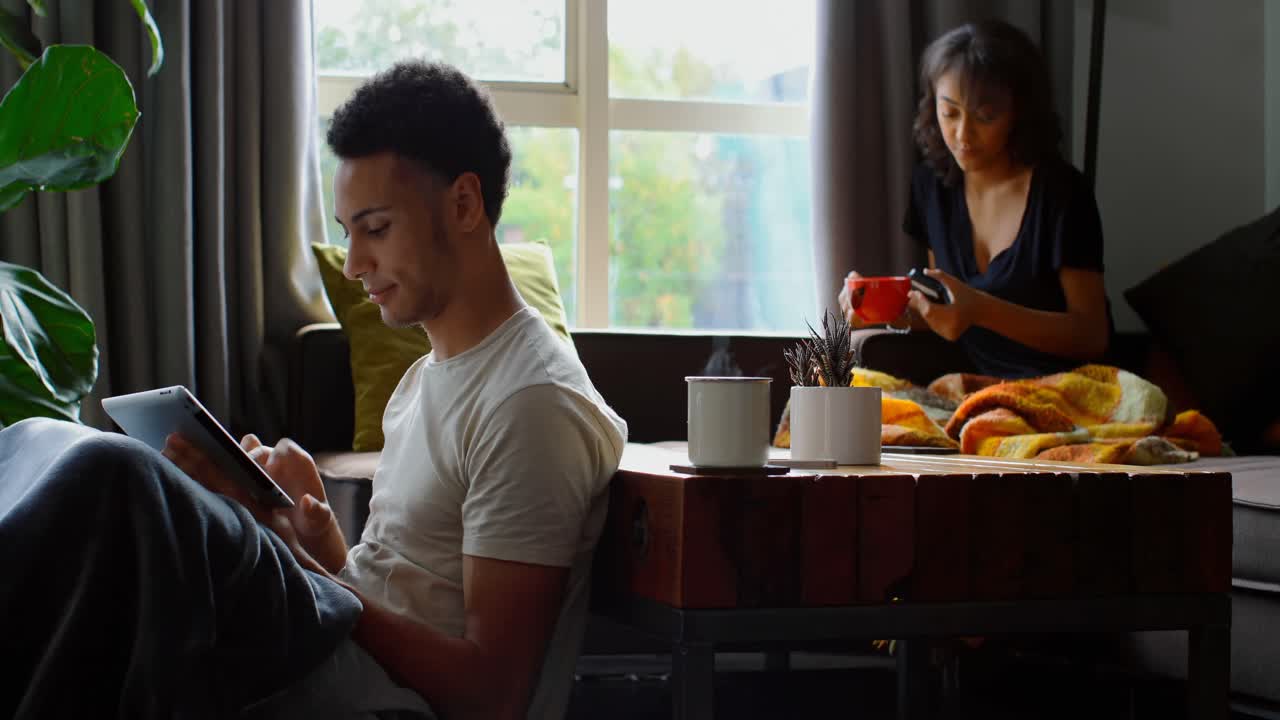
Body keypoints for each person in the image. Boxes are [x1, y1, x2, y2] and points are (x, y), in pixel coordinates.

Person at [0, 60, 627, 720]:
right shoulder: (426, 380)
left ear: (464, 205)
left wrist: (297, 563)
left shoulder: (531, 404)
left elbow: (489, 696)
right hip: (337, 663)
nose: (355, 264)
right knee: (35, 443)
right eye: (347, 232)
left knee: (113, 478)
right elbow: (398, 586)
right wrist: (305, 524)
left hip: (383, 705)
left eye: (376, 228)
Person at [837, 19, 1113, 379]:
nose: (963, 135)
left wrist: (981, 309)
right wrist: (883, 310)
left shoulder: (1061, 194)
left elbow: (1092, 335)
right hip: (981, 385)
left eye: (985, 117)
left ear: (1019, 112)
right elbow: (948, 311)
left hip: (1066, 385)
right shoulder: (931, 188)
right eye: (949, 112)